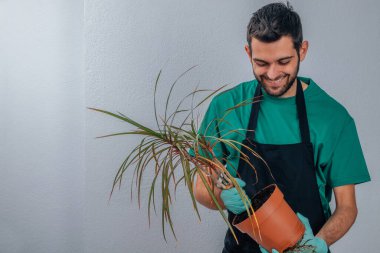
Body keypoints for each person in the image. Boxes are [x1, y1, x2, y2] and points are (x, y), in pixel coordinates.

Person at [192, 2, 371, 253]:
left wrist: (319, 243)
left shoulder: (334, 118)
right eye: (262, 63)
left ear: (303, 50)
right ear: (248, 53)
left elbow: (347, 207)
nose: (273, 74)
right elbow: (201, 186)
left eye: (283, 61)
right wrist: (221, 197)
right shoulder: (227, 107)